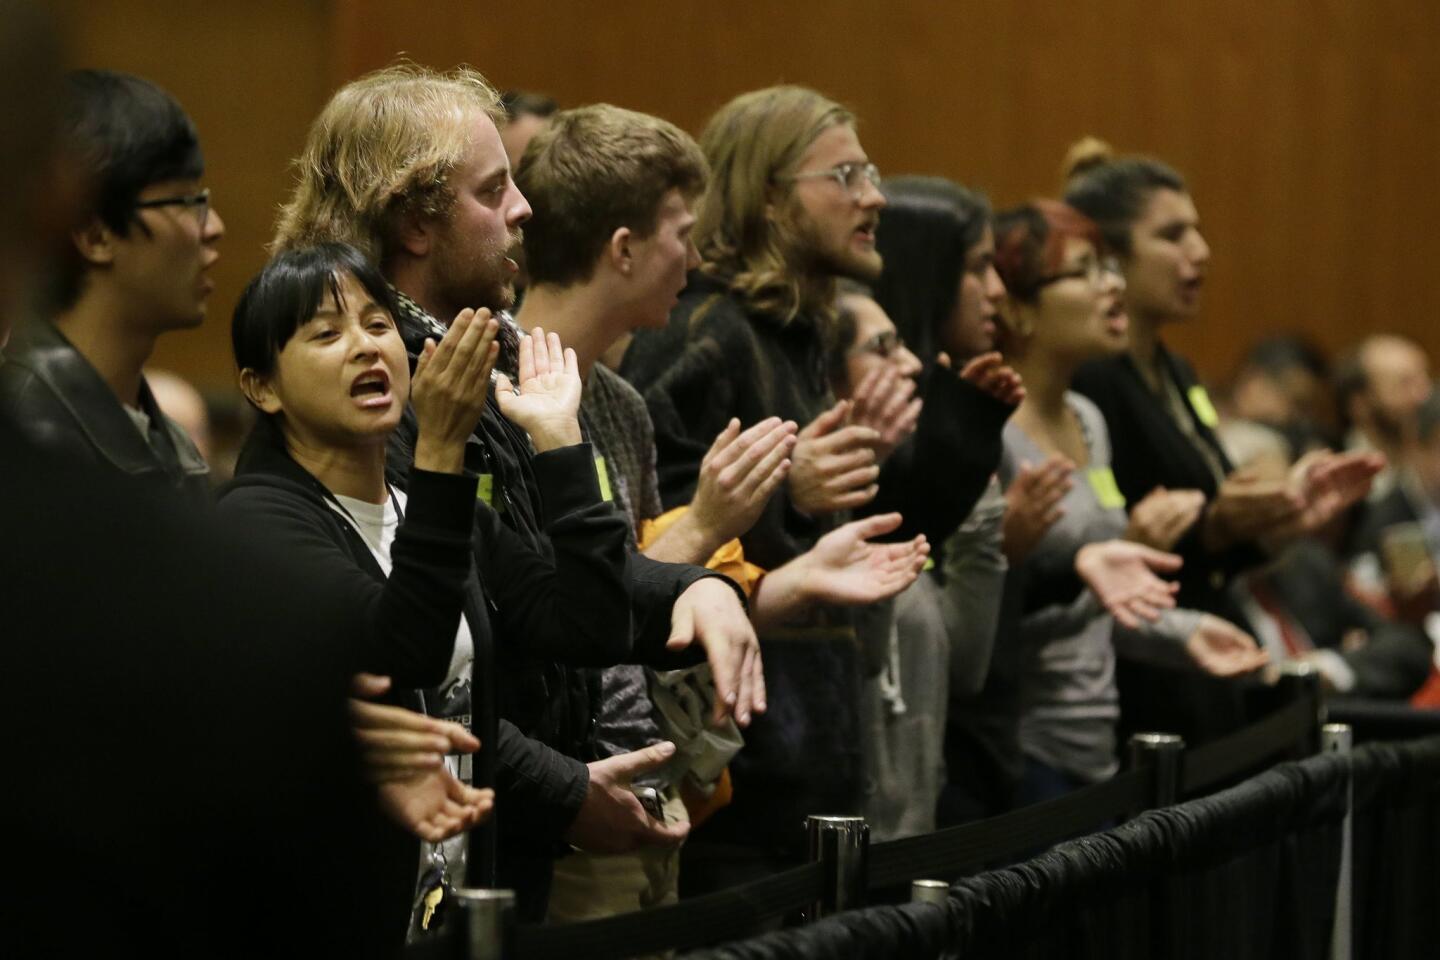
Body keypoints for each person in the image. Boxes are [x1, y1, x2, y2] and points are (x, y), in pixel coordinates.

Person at [273, 63, 759, 918]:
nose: (523, 210)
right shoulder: (372, 398)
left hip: (492, 852)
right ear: (416, 223)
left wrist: (701, 588)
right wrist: (564, 790)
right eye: (494, 191)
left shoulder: (478, 359)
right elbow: (406, 681)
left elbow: (554, 595)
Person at [514, 102, 931, 908]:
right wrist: (706, 523)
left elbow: (641, 623)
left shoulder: (622, 406)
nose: (696, 254)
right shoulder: (504, 396)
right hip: (566, 804)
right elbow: (556, 622)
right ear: (624, 249)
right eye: (680, 230)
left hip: (658, 790)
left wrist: (797, 574)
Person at [619, 85, 918, 885]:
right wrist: (788, 488)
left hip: (805, 770)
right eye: (846, 175)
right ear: (771, 198)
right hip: (733, 787)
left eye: (871, 172)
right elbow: (649, 528)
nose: (875, 197)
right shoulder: (704, 329)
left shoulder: (795, 329)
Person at [1064, 141, 1380, 741]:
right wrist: (1220, 527)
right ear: (1111, 255)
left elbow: (1210, 544)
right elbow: (1115, 539)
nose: (1200, 253)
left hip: (1202, 665)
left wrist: (1281, 517)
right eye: (1173, 235)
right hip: (1137, 685)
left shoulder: (1178, 373)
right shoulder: (1092, 378)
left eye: (1199, 233)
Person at [991, 199, 1268, 801]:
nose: (1110, 287)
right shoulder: (992, 432)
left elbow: (1097, 607)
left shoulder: (1088, 419)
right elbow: (986, 617)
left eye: (1110, 269)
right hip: (1021, 754)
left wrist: (1185, 632)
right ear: (1017, 306)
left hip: (1096, 748)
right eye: (1087, 271)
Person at [0, 69, 223, 502]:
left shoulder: (172, 443)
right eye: (187, 201)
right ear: (94, 233)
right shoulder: (26, 439)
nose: (213, 227)